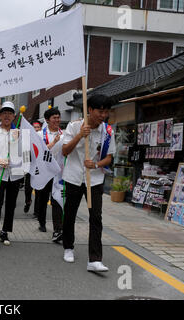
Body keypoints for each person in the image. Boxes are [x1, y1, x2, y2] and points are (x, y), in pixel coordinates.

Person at [61, 94, 116, 272]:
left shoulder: (108, 132)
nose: (103, 115)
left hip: (95, 179)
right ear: (90, 110)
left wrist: (96, 164)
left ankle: (94, 259)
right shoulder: (74, 126)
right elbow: (64, 151)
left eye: (106, 112)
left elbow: (109, 157)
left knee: (96, 217)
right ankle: (68, 247)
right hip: (74, 177)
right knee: (70, 214)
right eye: (100, 111)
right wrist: (79, 136)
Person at [0, 101, 23, 247]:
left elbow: (25, 154)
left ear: (14, 116)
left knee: (11, 204)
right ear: (0, 115)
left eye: (10, 113)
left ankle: (5, 231)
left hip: (15, 174)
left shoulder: (19, 133)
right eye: (4, 113)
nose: (7, 116)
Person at [36, 108, 64, 243]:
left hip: (59, 173)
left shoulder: (64, 134)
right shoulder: (40, 134)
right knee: (42, 198)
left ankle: (57, 230)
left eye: (58, 117)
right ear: (47, 120)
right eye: (54, 118)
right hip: (45, 171)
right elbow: (39, 153)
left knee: (57, 199)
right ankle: (42, 221)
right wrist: (53, 143)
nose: (57, 120)